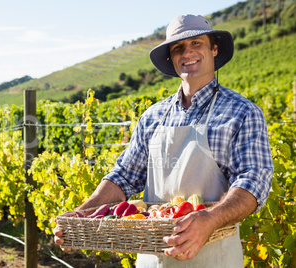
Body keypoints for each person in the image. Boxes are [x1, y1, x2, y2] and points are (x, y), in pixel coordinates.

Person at [54, 14, 274, 267]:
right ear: (172, 58)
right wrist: (83, 215)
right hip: (154, 259)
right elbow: (124, 176)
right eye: (178, 48)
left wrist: (211, 219)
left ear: (214, 49)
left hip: (215, 257)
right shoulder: (154, 116)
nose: (187, 52)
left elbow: (253, 180)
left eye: (196, 44)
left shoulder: (242, 113)